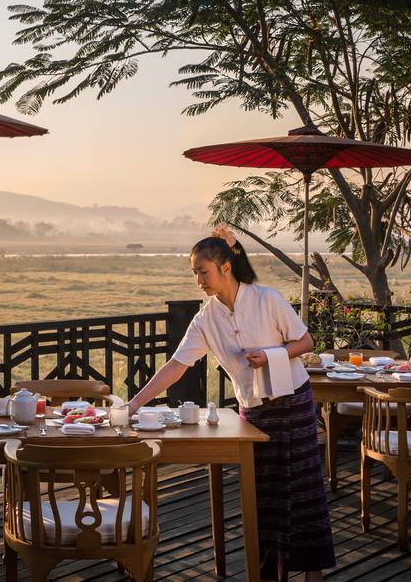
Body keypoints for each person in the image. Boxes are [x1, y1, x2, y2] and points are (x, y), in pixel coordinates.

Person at [125, 226, 335, 582]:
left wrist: (271, 356)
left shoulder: (268, 299)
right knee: (263, 498)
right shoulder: (206, 319)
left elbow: (306, 341)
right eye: (193, 273)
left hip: (293, 402)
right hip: (254, 411)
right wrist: (132, 405)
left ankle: (312, 573)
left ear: (225, 268)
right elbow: (176, 366)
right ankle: (270, 574)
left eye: (202, 272)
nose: (197, 280)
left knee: (303, 490)